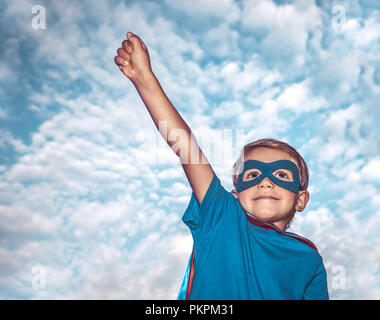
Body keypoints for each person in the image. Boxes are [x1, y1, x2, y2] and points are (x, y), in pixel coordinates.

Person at [114, 32, 329, 300]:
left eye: (282, 174)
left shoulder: (309, 258)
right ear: (236, 195)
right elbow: (186, 147)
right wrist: (144, 78)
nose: (266, 181)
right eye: (252, 174)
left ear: (301, 199)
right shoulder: (223, 216)